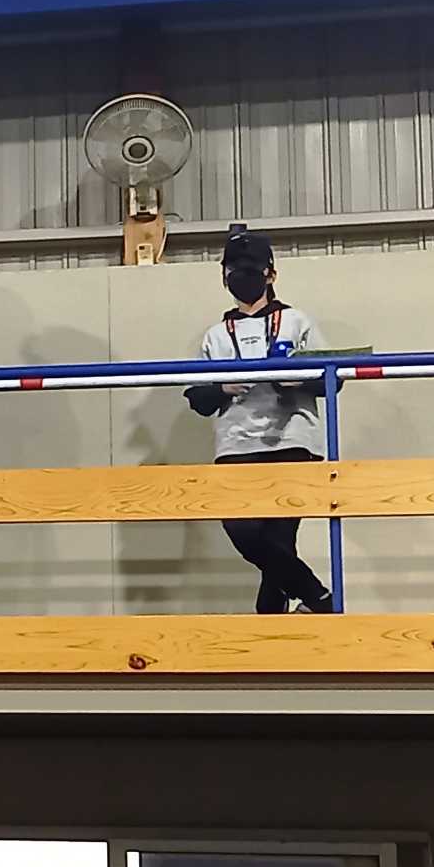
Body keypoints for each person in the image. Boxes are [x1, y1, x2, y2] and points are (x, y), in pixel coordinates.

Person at [184, 230, 335, 614]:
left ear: (271, 274)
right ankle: (318, 598)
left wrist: (294, 379)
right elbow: (197, 398)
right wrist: (223, 389)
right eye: (233, 268)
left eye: (250, 268)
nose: (242, 275)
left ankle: (277, 620)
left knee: (280, 537)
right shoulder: (216, 335)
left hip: (292, 440)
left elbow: (332, 380)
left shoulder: (296, 321)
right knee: (242, 529)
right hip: (236, 445)